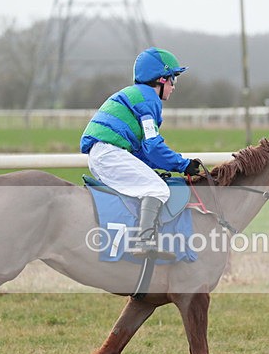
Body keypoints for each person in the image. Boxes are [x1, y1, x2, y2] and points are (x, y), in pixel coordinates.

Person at [80, 47, 200, 258]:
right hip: (109, 154)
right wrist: (183, 164)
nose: (174, 86)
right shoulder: (148, 99)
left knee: (150, 184)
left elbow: (144, 152)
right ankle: (144, 242)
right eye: (173, 80)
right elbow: (153, 146)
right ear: (161, 80)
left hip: (105, 153)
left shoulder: (138, 96)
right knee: (157, 190)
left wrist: (167, 165)